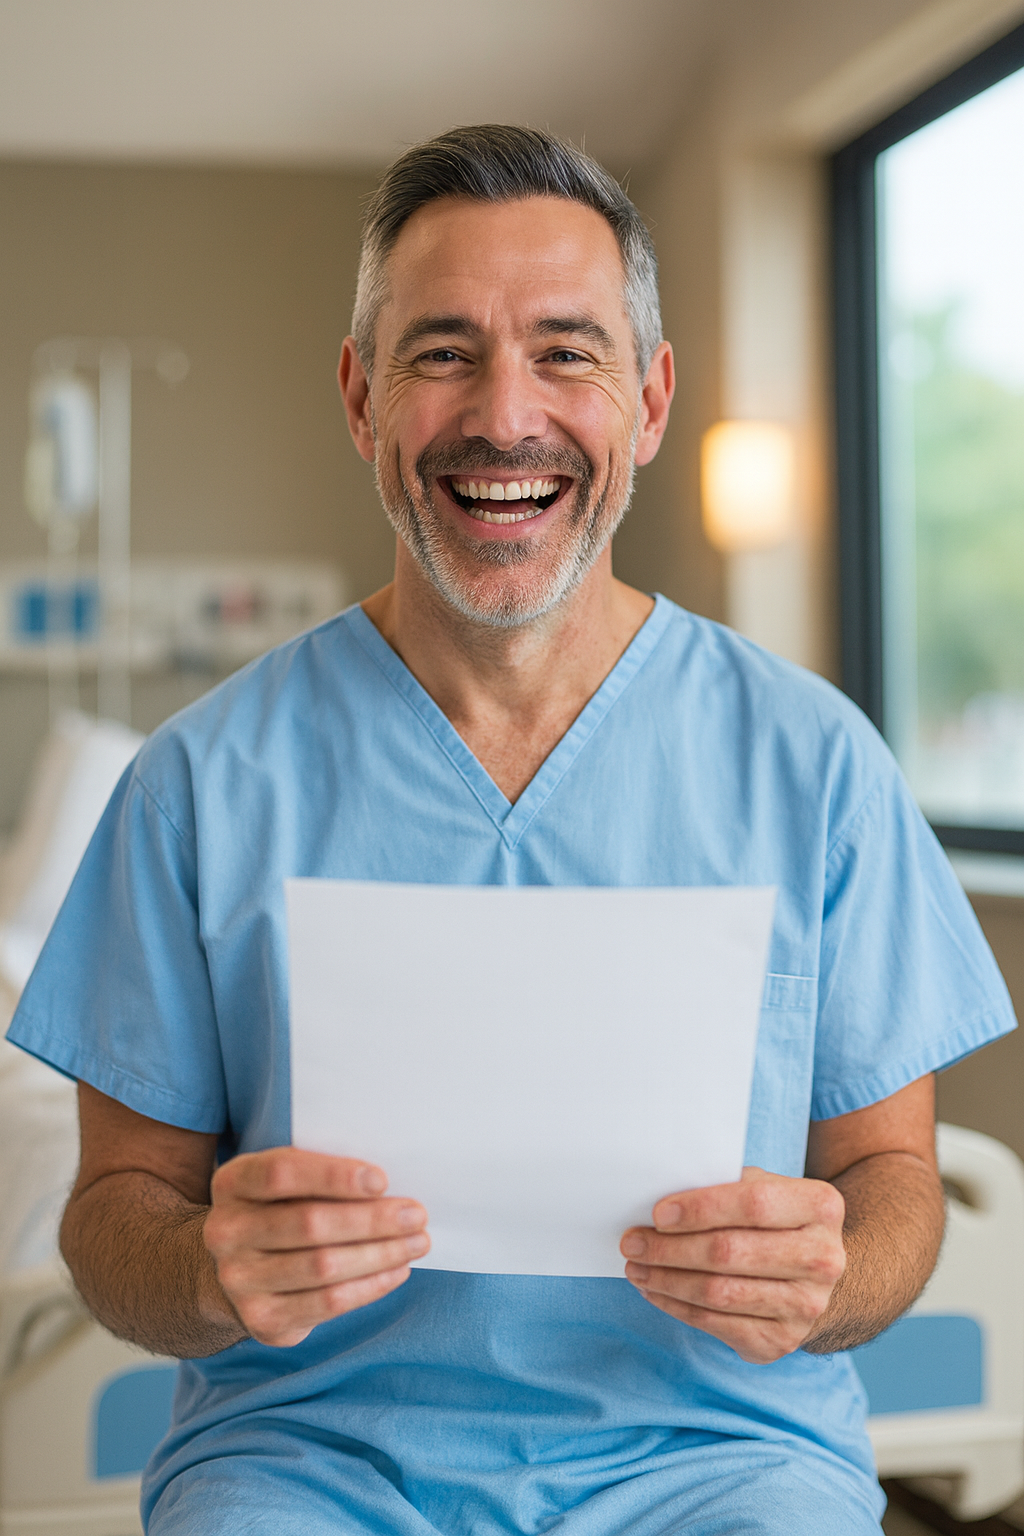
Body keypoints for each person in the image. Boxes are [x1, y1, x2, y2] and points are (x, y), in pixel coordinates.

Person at [6, 125, 1015, 1536]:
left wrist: (830, 1277)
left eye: (567, 351)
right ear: (361, 398)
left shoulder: (811, 763)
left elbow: (894, 1183)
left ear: (650, 400)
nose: (507, 414)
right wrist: (203, 1269)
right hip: (306, 1461)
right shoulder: (200, 784)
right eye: (441, 353)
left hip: (723, 1454)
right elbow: (115, 1218)